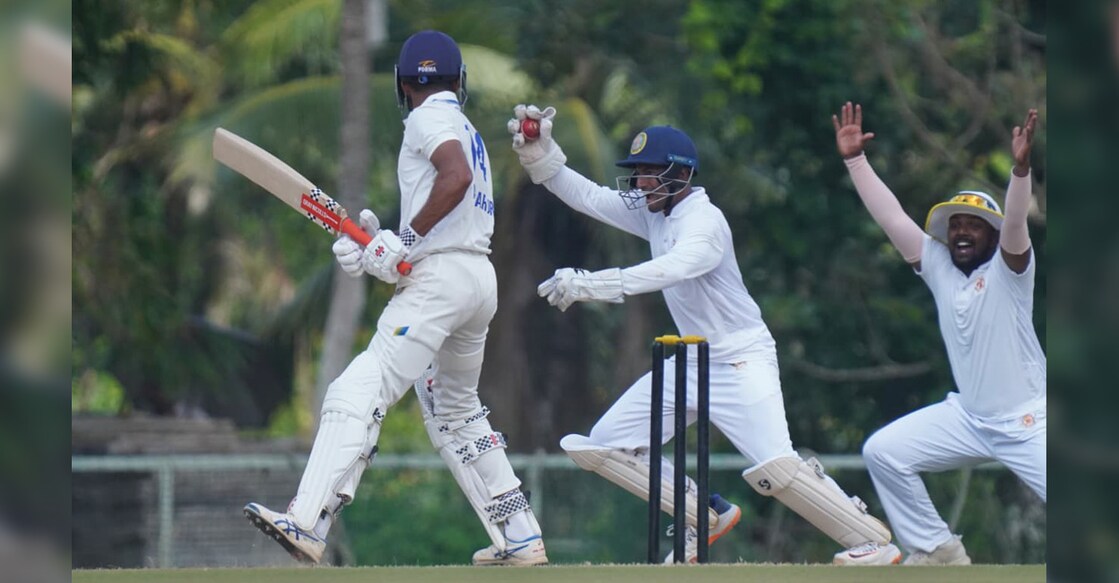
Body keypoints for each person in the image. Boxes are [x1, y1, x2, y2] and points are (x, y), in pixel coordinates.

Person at [507, 105, 901, 565]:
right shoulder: (655, 212)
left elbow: (670, 268)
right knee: (600, 446)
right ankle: (706, 515)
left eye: (650, 172)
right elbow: (590, 197)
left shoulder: (705, 222)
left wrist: (592, 284)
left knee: (775, 468)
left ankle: (870, 539)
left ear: (680, 173)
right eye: (637, 172)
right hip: (692, 361)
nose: (640, 183)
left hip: (740, 359)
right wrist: (541, 155)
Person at [243, 30, 547, 567]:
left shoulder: (428, 117)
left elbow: (454, 179)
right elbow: (447, 202)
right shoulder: (465, 125)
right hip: (477, 279)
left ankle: (308, 520)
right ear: (460, 81)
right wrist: (377, 243)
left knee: (361, 384)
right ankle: (521, 536)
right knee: (457, 411)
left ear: (404, 85)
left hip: (442, 281)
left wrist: (403, 241)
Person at [833, 102, 1045, 565]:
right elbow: (891, 218)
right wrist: (855, 160)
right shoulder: (939, 266)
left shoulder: (1011, 272)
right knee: (884, 452)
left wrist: (1020, 170)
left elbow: (1014, 223)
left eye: (975, 226)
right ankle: (938, 549)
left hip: (1029, 422)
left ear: (991, 237)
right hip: (969, 419)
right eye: (957, 225)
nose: (964, 232)